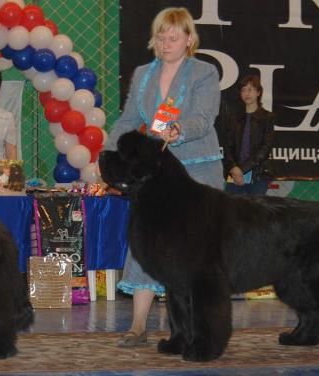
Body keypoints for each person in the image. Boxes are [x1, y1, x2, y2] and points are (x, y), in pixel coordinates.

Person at [105, 7, 224, 347]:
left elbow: (204, 117)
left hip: (199, 169)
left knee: (198, 253)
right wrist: (106, 151)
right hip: (157, 172)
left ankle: (201, 326)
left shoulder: (204, 72)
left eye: (174, 37)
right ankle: (138, 326)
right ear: (153, 38)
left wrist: (179, 128)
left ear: (189, 40)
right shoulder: (143, 73)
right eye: (161, 36)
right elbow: (128, 119)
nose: (167, 43)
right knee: (147, 241)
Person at [223, 75, 275, 195]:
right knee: (231, 211)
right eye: (243, 90)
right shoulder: (234, 118)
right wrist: (233, 168)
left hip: (258, 175)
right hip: (234, 174)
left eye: (250, 89)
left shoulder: (268, 117)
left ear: (258, 92)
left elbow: (265, 148)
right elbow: (227, 146)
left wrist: (242, 170)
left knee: (254, 212)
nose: (247, 93)